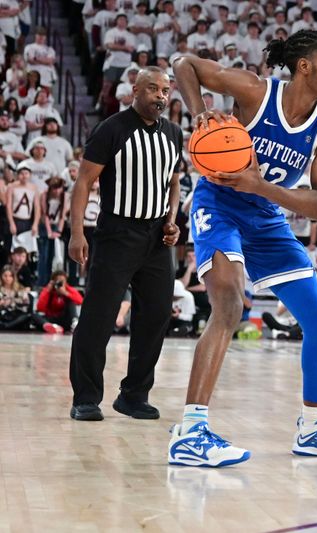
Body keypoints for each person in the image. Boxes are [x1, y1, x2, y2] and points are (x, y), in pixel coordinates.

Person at [170, 30, 317, 466]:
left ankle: (313, 427)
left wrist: (260, 186)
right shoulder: (256, 92)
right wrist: (201, 114)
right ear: (305, 66)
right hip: (219, 203)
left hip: (266, 214)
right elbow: (184, 64)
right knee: (227, 304)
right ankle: (191, 430)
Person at [67, 66, 183, 423]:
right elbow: (84, 182)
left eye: (165, 91)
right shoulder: (111, 129)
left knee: (157, 314)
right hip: (117, 233)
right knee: (99, 316)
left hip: (157, 239)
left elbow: (174, 182)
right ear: (135, 90)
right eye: (153, 89)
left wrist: (172, 219)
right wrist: (76, 232)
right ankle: (86, 397)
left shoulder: (174, 133)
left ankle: (134, 395)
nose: (160, 96)